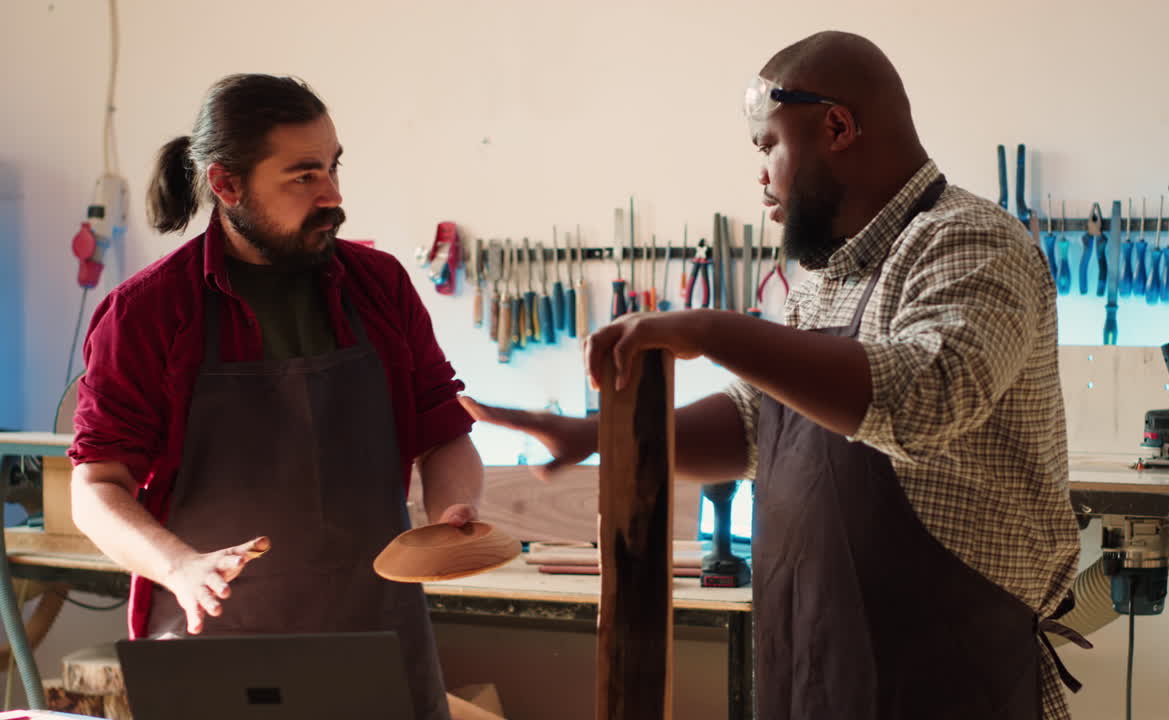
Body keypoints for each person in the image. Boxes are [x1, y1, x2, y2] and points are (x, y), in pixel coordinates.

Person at [462, 31, 1085, 719]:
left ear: (837, 126)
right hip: (820, 668)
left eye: (769, 147)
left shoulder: (969, 239)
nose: (761, 175)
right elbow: (762, 425)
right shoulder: (823, 279)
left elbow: (924, 399)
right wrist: (601, 432)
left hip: (952, 677)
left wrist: (706, 328)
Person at [68, 74, 480, 720]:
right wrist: (179, 568)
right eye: (304, 176)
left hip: (374, 652)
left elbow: (444, 432)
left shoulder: (380, 288)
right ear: (226, 186)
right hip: (219, 661)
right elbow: (94, 491)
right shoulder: (149, 315)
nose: (334, 197)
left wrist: (456, 510)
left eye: (334, 168)